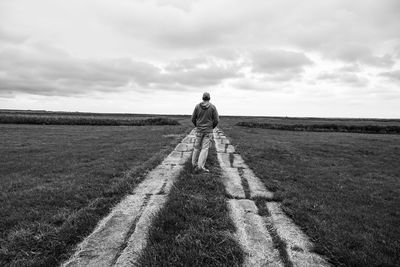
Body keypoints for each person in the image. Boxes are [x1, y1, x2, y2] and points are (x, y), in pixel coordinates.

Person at [191, 92, 219, 172]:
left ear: (202, 98)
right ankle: (200, 167)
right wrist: (211, 127)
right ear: (209, 98)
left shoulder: (197, 106)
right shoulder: (213, 107)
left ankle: (194, 164)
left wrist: (197, 126)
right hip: (208, 131)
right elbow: (217, 120)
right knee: (204, 148)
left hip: (199, 130)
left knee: (196, 147)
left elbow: (193, 118)